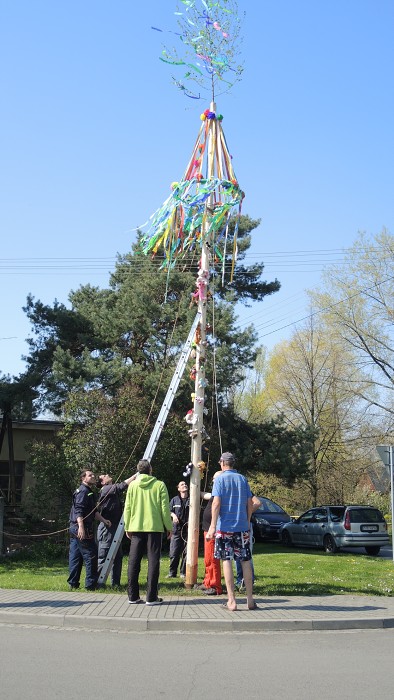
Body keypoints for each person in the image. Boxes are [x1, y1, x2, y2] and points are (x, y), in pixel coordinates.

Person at [206, 452, 256, 612]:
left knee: (226, 560)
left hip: (224, 528)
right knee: (246, 561)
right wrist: (247, 522)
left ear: (222, 463)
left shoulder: (219, 479)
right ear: (233, 463)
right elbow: (250, 503)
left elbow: (216, 503)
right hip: (242, 528)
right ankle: (250, 600)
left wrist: (212, 526)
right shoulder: (242, 479)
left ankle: (232, 601)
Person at [123, 459, 172, 605]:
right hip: (154, 528)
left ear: (138, 471)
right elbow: (165, 509)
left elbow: (128, 507)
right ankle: (151, 597)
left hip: (136, 527)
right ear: (150, 469)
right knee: (153, 562)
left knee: (133, 561)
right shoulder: (159, 485)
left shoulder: (133, 485)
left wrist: (127, 526)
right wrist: (168, 526)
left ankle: (132, 596)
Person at [67, 469, 111, 591]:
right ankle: (91, 585)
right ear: (83, 478)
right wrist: (81, 527)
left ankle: (73, 584)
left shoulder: (88, 491)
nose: (93, 476)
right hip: (81, 527)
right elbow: (79, 511)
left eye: (93, 475)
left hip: (74, 527)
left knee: (75, 556)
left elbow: (93, 511)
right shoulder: (83, 492)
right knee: (91, 554)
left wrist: (104, 520)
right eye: (90, 475)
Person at [97, 472, 138, 587]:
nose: (107, 474)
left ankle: (116, 584)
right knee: (104, 555)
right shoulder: (105, 489)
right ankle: (98, 583)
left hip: (115, 527)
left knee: (117, 556)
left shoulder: (110, 490)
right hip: (107, 528)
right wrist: (134, 476)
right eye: (104, 476)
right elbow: (121, 486)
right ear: (103, 482)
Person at [195, 471, 223, 596]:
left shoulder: (221, 493)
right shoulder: (215, 493)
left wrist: (212, 528)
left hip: (213, 530)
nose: (213, 481)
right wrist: (194, 485)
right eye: (212, 478)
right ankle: (207, 582)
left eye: (215, 478)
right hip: (208, 529)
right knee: (207, 559)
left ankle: (215, 586)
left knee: (213, 558)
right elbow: (204, 495)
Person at [235, 494, 261, 589]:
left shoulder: (245, 489)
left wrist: (246, 513)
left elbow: (258, 502)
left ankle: (248, 581)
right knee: (236, 553)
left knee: (246, 553)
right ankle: (240, 580)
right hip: (235, 523)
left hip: (246, 523)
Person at [167, 480, 190, 579]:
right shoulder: (174, 500)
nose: (184, 485)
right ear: (178, 488)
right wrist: (173, 515)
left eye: (185, 484)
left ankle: (183, 573)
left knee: (186, 553)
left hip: (188, 531)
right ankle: (172, 573)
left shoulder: (192, 499)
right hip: (176, 530)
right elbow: (168, 510)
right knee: (174, 552)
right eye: (182, 484)